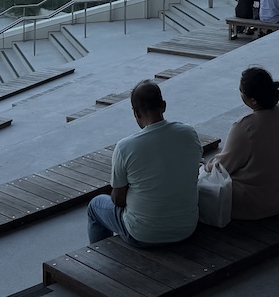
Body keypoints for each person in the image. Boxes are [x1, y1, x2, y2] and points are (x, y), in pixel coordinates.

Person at [86, 81, 201, 246]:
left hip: (143, 234)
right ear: (164, 106)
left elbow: (118, 200)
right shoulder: (189, 133)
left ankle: (101, 255)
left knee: (95, 205)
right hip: (186, 228)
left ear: (136, 113)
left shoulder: (125, 147)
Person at [208, 68, 279, 220]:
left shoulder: (246, 126)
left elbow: (223, 167)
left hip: (253, 203)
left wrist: (205, 167)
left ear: (252, 100)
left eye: (241, 91)